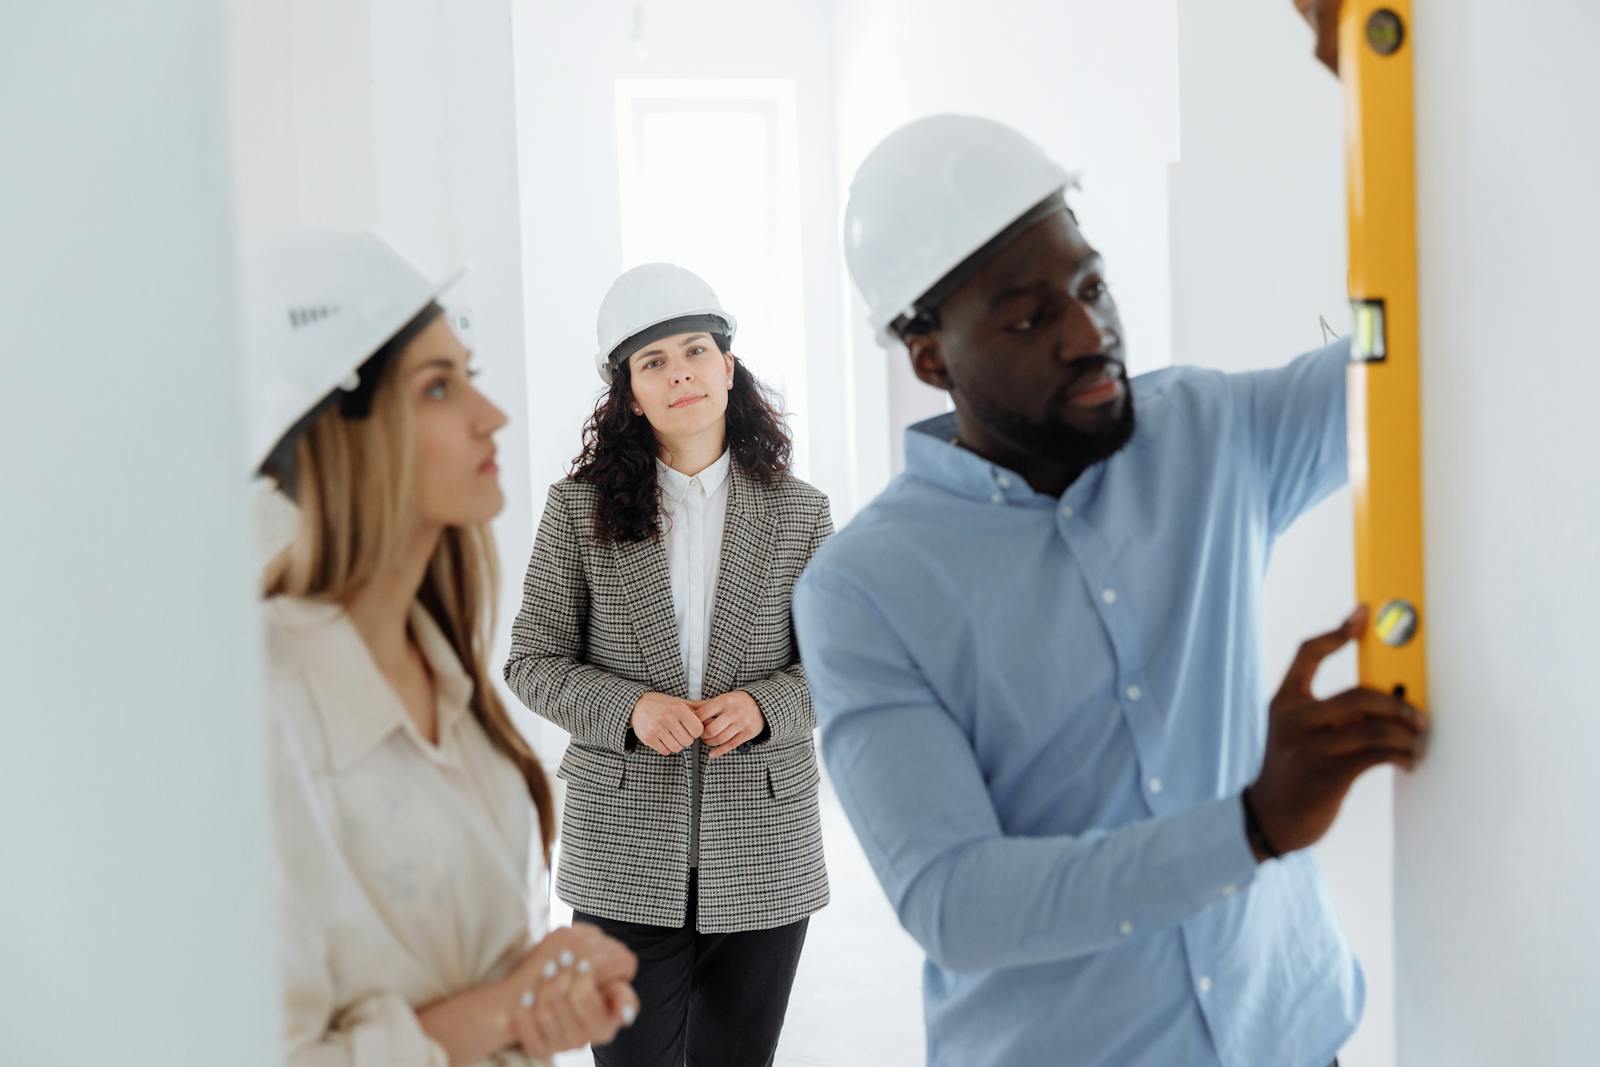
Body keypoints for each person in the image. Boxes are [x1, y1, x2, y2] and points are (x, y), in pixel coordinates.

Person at [792, 114, 1430, 1067]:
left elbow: (1412, 356)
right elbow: (955, 901)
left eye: (1091, 286)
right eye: (1028, 316)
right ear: (930, 355)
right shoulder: (864, 590)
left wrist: (1373, 94)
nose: (1090, 333)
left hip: (1290, 1035)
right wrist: (1249, 827)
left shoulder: (1211, 433)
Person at [246, 229, 641, 1066]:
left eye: (469, 377)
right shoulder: (260, 700)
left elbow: (462, 987)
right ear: (334, 434)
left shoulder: (447, 679)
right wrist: (504, 1009)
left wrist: (536, 999)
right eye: (437, 387)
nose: (489, 414)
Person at [504, 263, 831, 1067]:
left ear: (728, 368)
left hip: (765, 843)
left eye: (694, 351)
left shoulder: (801, 510)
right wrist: (628, 708)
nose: (678, 371)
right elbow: (531, 660)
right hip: (623, 848)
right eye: (652, 362)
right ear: (630, 393)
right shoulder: (576, 509)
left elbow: (843, 666)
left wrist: (765, 705)